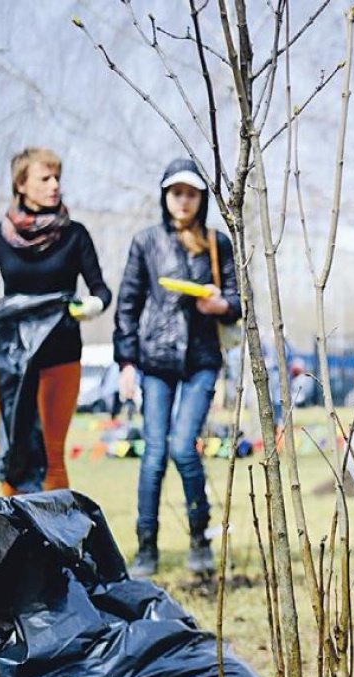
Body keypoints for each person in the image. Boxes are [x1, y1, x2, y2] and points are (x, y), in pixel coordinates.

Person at [0, 146, 110, 495]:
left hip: (61, 359)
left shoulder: (75, 235)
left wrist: (94, 304)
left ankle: (57, 544)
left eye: (57, 177)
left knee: (52, 456)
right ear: (21, 185)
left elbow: (101, 288)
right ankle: (14, 542)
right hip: (13, 364)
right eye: (45, 178)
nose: (55, 184)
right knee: (14, 452)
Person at [114, 157, 240, 577]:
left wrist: (220, 304)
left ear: (201, 198)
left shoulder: (218, 242)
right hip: (156, 359)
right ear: (165, 196)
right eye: (176, 192)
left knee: (183, 447)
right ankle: (146, 545)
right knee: (153, 454)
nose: (183, 201)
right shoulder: (146, 241)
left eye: (191, 193)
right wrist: (127, 361)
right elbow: (128, 304)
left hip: (202, 359)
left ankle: (199, 538)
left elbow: (240, 301)